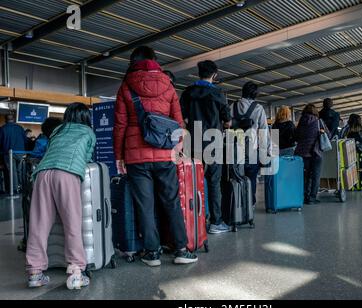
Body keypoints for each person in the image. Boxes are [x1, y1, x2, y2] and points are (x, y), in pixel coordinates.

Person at [114, 46, 197, 266]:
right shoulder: (167, 85)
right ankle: (181, 249)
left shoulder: (126, 86)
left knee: (145, 205)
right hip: (164, 154)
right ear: (154, 60)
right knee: (171, 202)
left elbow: (120, 125)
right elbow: (178, 122)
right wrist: (178, 147)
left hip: (135, 158)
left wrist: (119, 156)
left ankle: (152, 254)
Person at [25, 103, 95, 290]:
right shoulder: (88, 132)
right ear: (86, 117)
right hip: (67, 173)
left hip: (42, 173)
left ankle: (35, 273)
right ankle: (76, 272)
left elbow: (50, 150)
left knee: (38, 224)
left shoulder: (58, 130)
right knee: (72, 223)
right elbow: (87, 158)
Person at [180, 60, 232, 234]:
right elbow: (228, 121)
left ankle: (195, 220)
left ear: (198, 73)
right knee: (214, 183)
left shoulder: (187, 93)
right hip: (214, 143)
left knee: (194, 182)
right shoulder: (219, 94)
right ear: (214, 75)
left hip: (193, 143)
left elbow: (183, 119)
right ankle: (216, 222)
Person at [229, 81, 270, 207]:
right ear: (255, 94)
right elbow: (263, 132)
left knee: (235, 178)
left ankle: (236, 205)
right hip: (251, 151)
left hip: (234, 150)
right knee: (251, 178)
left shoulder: (232, 107)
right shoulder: (258, 108)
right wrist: (266, 151)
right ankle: (249, 205)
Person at [295, 104, 329, 205]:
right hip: (315, 153)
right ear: (315, 111)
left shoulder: (301, 122)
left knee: (305, 177)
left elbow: (296, 137)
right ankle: (312, 197)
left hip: (302, 153)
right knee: (315, 176)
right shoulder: (319, 122)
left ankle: (305, 196)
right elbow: (329, 135)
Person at [0, 113, 27, 194]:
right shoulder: (20, 128)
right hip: (20, 152)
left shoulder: (3, 129)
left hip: (9, 153)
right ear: (14, 119)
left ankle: (15, 189)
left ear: (5, 120)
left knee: (12, 171)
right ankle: (21, 187)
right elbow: (25, 140)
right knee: (20, 170)